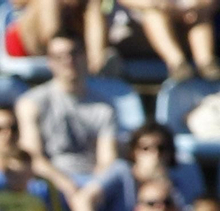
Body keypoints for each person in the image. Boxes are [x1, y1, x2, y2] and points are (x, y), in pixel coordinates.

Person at [15, 35, 117, 199]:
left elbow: (107, 160)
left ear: (84, 56)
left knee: (122, 172)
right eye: (59, 56)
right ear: (49, 62)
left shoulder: (104, 106)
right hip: (51, 181)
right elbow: (32, 157)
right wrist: (65, 183)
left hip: (92, 183)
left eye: (73, 53)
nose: (68, 60)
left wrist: (94, 188)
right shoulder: (31, 103)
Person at [118, 0, 219, 81]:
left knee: (200, 17)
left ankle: (207, 64)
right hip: (140, 32)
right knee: (153, 16)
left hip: (186, 21)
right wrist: (158, 4)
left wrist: (196, 6)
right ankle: (178, 65)